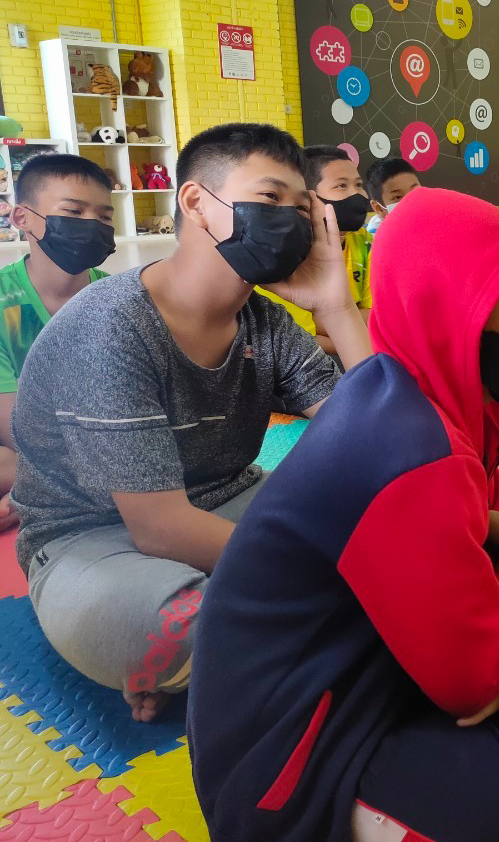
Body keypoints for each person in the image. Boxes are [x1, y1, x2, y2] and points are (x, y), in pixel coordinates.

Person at [189, 188, 499, 842]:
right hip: (291, 767)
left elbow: (471, 560)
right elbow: (470, 675)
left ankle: (497, 715)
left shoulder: (413, 398)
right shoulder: (409, 446)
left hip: (367, 671)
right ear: (450, 305)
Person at [11, 123, 371, 723]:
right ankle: (234, 650)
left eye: (301, 208)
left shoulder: (266, 324)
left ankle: (216, 671)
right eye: (269, 198)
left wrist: (337, 306)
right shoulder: (111, 327)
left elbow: (383, 438)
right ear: (198, 203)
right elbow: (160, 529)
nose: (290, 221)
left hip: (230, 504)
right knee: (169, 629)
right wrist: (326, 568)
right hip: (92, 541)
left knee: (394, 507)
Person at [0, 154, 116, 533]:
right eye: (73, 211)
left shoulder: (121, 300)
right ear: (22, 218)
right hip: (25, 447)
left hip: (107, 444)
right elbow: (15, 431)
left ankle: (41, 494)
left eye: (104, 217)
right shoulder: (4, 302)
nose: (92, 225)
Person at [259, 146, 373, 356]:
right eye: (341, 185)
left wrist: (326, 319)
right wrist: (355, 327)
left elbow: (378, 316)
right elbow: (299, 335)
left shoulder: (367, 243)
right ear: (309, 198)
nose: (357, 194)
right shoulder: (287, 252)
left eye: (359, 185)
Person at [364, 157, 420, 235]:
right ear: (379, 208)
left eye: (415, 191)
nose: (411, 201)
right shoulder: (378, 239)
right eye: (398, 197)